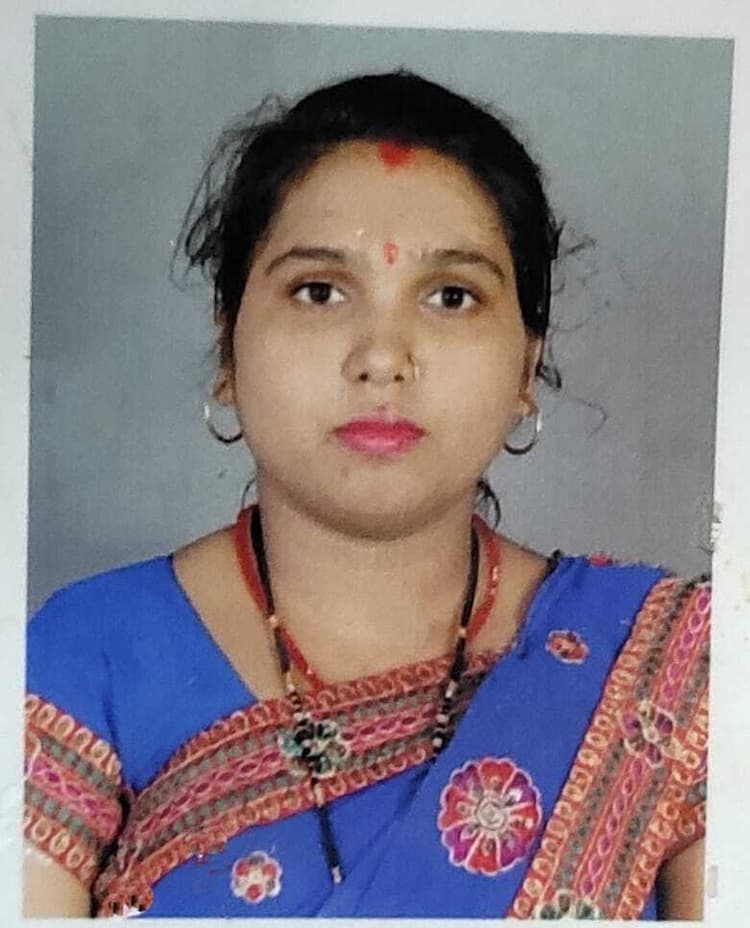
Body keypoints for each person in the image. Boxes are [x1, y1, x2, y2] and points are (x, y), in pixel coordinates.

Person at [23, 71, 709, 919]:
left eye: (451, 297)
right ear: (228, 348)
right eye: (320, 291)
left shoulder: (672, 671)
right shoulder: (80, 658)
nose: (383, 357)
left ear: (527, 367)